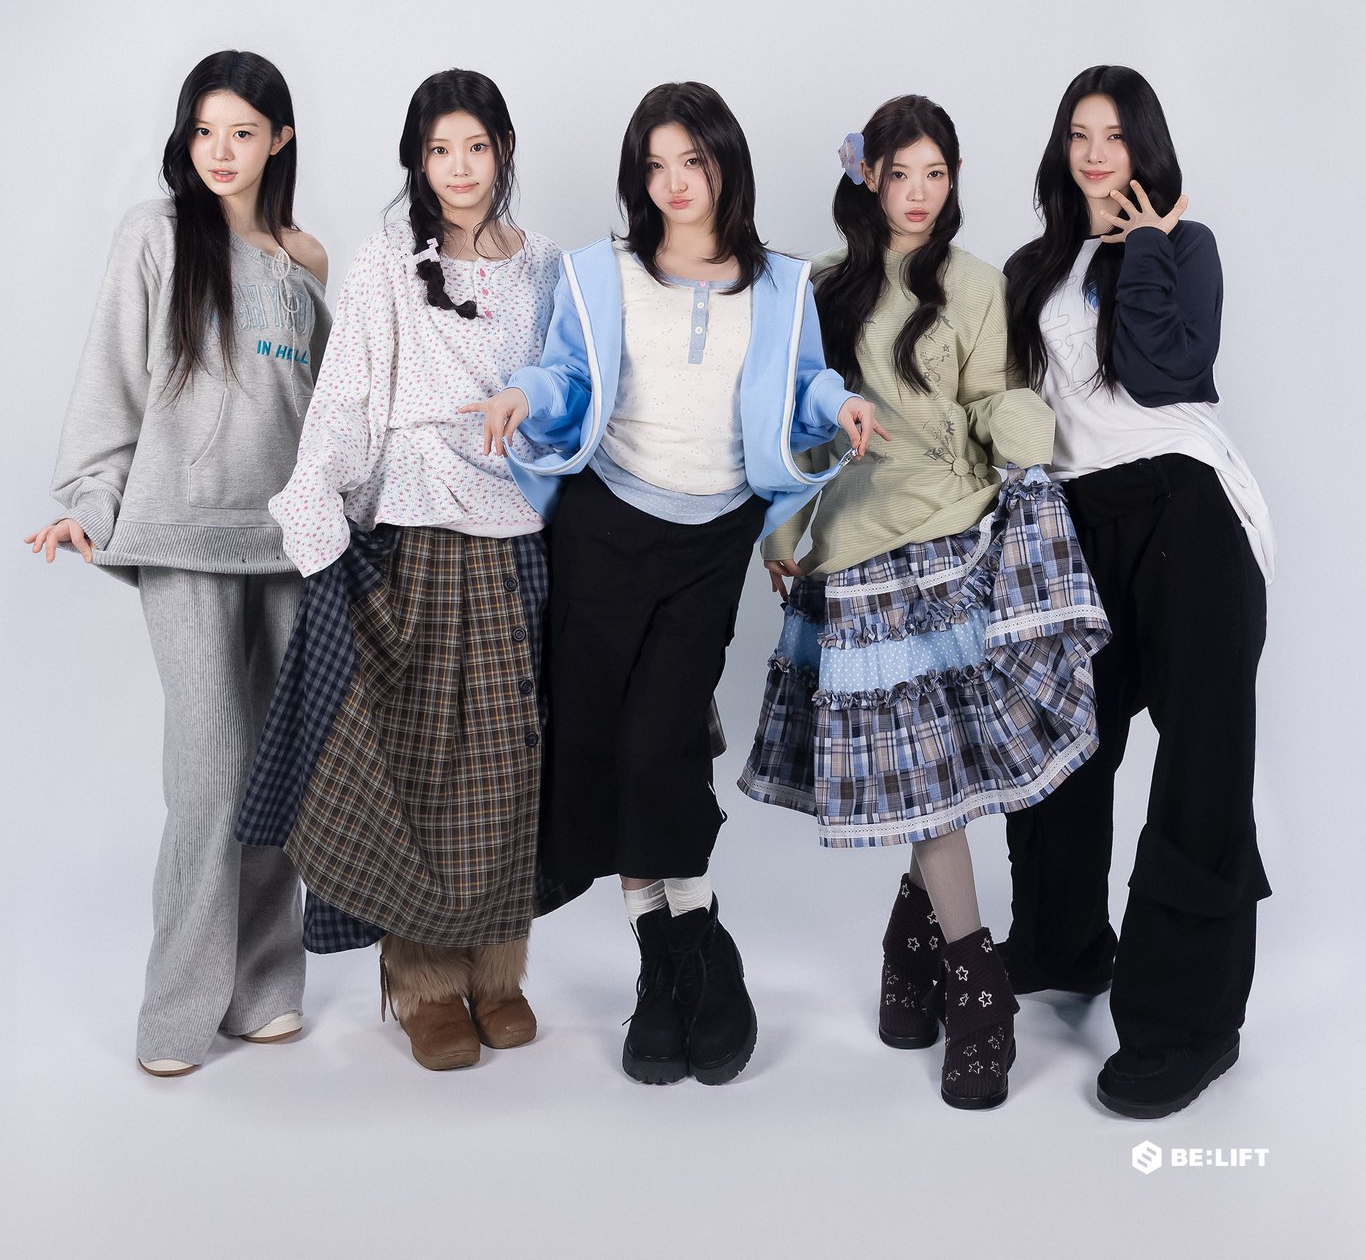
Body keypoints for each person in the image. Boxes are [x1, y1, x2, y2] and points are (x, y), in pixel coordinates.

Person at [469, 81, 882, 1087]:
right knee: (605, 747)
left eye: (691, 161)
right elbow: (569, 374)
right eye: (654, 166)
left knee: (663, 743)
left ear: (725, 163)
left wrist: (839, 401)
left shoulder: (780, 285)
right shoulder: (599, 273)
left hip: (710, 538)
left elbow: (802, 382)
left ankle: (700, 948)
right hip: (605, 529)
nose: (673, 183)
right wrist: (524, 390)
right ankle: (664, 967)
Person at [740, 94, 1108, 1109]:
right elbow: (796, 423)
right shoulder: (823, 286)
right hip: (858, 546)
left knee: (936, 773)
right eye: (899, 173)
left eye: (934, 174)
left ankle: (954, 976)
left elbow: (991, 396)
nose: (917, 194)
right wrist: (781, 532)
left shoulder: (978, 282)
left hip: (955, 536)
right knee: (926, 775)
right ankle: (949, 964)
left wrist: (1025, 446)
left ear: (953, 178)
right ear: (867, 177)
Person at [240, 69, 562, 1072]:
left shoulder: (547, 265)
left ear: (504, 149)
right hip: (414, 532)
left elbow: (572, 395)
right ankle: (421, 981)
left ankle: (499, 970)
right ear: (417, 161)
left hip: (516, 532)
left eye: (475, 146)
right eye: (438, 150)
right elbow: (345, 396)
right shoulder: (387, 260)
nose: (458, 168)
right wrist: (315, 503)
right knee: (420, 764)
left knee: (510, 762)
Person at [26, 50, 330, 1077]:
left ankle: (265, 986)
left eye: (242, 132)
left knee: (280, 771)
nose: (219, 151)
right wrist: (89, 502)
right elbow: (111, 383)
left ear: (279, 139)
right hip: (183, 539)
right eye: (204, 130)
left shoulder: (304, 259)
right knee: (209, 774)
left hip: (289, 546)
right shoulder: (155, 235)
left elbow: (328, 413)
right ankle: (176, 1009)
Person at [1000, 64, 1274, 1119]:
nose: (1095, 153)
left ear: (1145, 148)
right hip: (1074, 520)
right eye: (1079, 133)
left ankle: (1186, 1023)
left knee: (1201, 764)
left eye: (1115, 134)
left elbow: (1167, 373)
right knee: (1064, 743)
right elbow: (1015, 413)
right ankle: (1062, 944)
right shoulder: (1031, 267)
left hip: (1187, 510)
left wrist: (1147, 245)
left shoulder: (1185, 248)